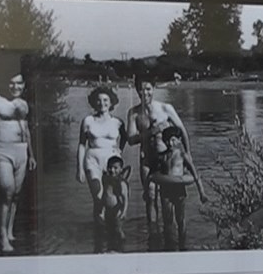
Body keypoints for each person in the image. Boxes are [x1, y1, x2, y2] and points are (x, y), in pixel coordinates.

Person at [125, 77, 188, 245]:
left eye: (148, 89)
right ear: (136, 91)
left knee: (168, 198)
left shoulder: (166, 108)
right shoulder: (134, 113)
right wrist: (151, 132)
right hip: (147, 159)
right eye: (141, 89)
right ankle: (153, 235)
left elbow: (182, 131)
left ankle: (173, 235)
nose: (145, 93)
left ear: (154, 88)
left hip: (166, 161)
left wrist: (187, 156)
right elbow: (130, 139)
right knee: (150, 196)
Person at [0, 72, 34, 254]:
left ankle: (9, 231)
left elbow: (26, 130)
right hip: (1, 150)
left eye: (19, 84)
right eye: (11, 83)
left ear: (23, 85)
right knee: (7, 191)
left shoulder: (23, 104)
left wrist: (31, 155)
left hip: (21, 151)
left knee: (16, 194)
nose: (15, 87)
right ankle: (2, 238)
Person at [75, 85, 128, 235]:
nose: (102, 103)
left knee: (112, 198)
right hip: (93, 161)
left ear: (111, 103)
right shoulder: (88, 121)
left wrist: (120, 150)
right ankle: (100, 233)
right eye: (98, 100)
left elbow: (125, 138)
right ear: (93, 102)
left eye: (105, 100)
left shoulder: (118, 122)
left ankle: (112, 228)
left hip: (111, 162)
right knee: (98, 198)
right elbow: (81, 144)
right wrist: (79, 168)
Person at [153, 125, 207, 251]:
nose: (170, 143)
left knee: (180, 219)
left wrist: (202, 193)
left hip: (179, 191)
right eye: (167, 140)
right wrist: (149, 191)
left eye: (173, 140)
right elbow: (154, 176)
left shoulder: (183, 155)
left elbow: (195, 174)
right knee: (167, 220)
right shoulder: (162, 156)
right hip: (166, 191)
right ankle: (169, 246)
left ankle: (183, 246)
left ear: (179, 140)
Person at [96, 156, 131, 252]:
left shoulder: (121, 183)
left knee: (118, 229)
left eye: (115, 168)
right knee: (109, 229)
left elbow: (125, 199)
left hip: (117, 211)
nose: (112, 170)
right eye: (110, 167)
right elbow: (104, 195)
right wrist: (102, 210)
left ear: (121, 170)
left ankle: (122, 246)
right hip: (108, 210)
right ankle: (111, 247)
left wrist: (124, 212)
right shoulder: (106, 180)